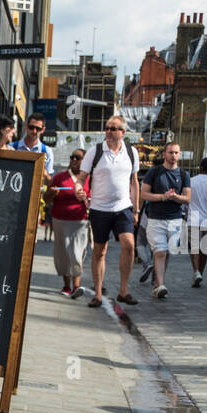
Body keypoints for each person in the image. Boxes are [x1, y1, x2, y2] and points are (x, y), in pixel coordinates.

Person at [76, 115, 140, 308]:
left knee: (129, 245)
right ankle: (97, 294)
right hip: (99, 209)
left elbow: (134, 182)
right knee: (99, 251)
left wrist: (136, 210)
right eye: (107, 128)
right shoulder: (94, 152)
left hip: (123, 207)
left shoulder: (131, 152)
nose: (108, 132)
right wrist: (78, 189)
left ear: (123, 132)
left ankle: (123, 291)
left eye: (113, 128)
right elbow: (81, 178)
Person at [140, 141, 191, 299]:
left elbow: (187, 198)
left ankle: (157, 282)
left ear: (179, 154)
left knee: (166, 252)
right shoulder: (154, 172)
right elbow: (144, 194)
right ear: (164, 154)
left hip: (175, 219)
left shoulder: (184, 174)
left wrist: (175, 197)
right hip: (155, 219)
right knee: (160, 251)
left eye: (176, 153)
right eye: (170, 152)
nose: (173, 156)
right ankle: (160, 284)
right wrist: (162, 197)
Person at [48, 148, 88, 296]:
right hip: (60, 220)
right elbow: (47, 198)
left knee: (78, 253)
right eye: (72, 157)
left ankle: (76, 286)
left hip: (80, 221)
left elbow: (92, 198)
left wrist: (85, 197)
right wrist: (51, 193)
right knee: (63, 252)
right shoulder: (60, 177)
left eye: (78, 158)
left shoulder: (88, 179)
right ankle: (66, 286)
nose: (74, 160)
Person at [13, 113, 54, 180]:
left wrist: (45, 174)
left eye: (38, 129)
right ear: (26, 126)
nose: (34, 131)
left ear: (43, 130)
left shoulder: (47, 151)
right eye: (31, 127)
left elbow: (50, 181)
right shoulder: (12, 148)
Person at [187, 156, 207, 287]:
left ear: (200, 167)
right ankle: (200, 271)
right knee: (205, 249)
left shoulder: (190, 181)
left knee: (194, 247)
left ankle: (196, 272)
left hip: (193, 217)